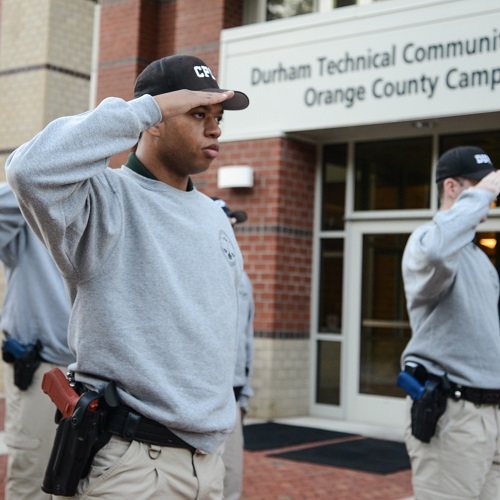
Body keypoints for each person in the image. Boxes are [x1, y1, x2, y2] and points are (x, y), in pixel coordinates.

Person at [6, 54, 250, 499]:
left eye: (216, 117)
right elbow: (29, 169)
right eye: (198, 114)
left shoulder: (215, 217)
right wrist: (145, 109)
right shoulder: (104, 198)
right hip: (133, 465)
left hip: (207, 464)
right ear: (153, 121)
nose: (215, 128)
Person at [400, 146, 500, 499]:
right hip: (453, 417)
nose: (490, 203)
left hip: (491, 416)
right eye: (481, 191)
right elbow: (439, 249)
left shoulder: (481, 260)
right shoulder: (426, 242)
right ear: (453, 189)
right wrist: (484, 194)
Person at [0, 183, 74, 500]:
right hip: (42, 371)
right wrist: (40, 182)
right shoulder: (25, 208)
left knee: (84, 480)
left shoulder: (100, 203)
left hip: (92, 372)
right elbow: (23, 181)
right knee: (32, 479)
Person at [212, 197, 254, 500]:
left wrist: (246, 393)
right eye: (226, 221)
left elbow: (246, 336)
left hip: (234, 397)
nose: (232, 227)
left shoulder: (244, 278)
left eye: (233, 222)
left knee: (231, 483)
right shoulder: (196, 273)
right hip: (205, 399)